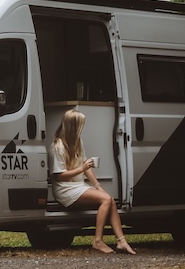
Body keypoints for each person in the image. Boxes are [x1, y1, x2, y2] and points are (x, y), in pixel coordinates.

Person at [51, 109, 136, 254]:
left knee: (110, 200)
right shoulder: (57, 146)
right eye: (80, 125)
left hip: (78, 186)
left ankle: (121, 241)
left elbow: (86, 167)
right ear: (73, 126)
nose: (81, 129)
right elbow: (60, 177)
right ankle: (98, 241)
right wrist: (82, 168)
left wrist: (97, 186)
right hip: (65, 189)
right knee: (105, 200)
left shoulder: (78, 142)